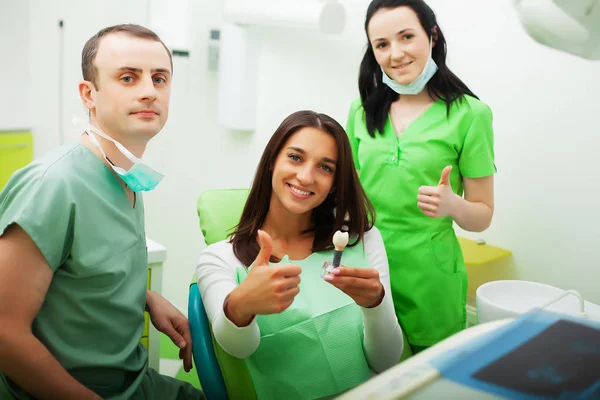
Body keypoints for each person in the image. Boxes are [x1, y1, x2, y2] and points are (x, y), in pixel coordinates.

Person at [0, 24, 204, 400]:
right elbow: (5, 333)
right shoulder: (53, 185)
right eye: (128, 77)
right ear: (88, 94)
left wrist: (142, 297)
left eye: (160, 79)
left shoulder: (127, 175)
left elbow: (82, 270)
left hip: (135, 381)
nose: (149, 91)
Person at [196, 111, 404, 399]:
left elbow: (386, 361)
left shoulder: (363, 240)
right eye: (295, 157)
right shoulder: (220, 259)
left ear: (335, 182)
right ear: (271, 161)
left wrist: (375, 304)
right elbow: (238, 348)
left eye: (326, 167)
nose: (306, 177)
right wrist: (242, 304)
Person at [346, 0, 496, 357]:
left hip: (430, 276)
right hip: (365, 267)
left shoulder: (470, 115)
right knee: (369, 374)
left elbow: (483, 215)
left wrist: (454, 205)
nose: (395, 54)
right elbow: (346, 194)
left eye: (406, 37)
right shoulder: (361, 110)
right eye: (382, 45)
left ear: (432, 35)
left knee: (429, 377)